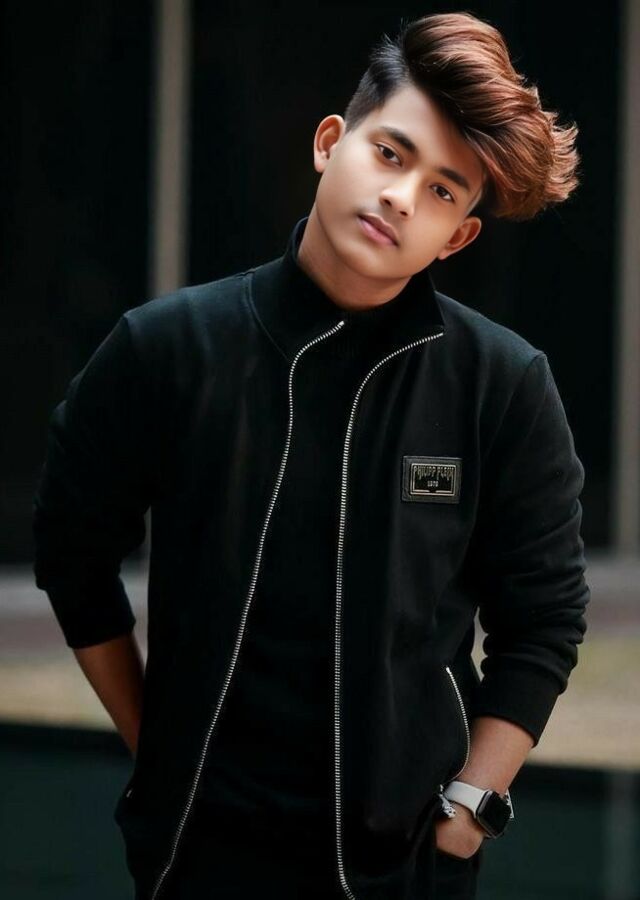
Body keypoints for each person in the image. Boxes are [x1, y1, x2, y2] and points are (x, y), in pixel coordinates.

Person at [32, 10, 590, 900]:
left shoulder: (502, 384)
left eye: (443, 192)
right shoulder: (166, 348)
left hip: (407, 868)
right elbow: (72, 549)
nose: (402, 197)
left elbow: (545, 621)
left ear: (458, 236)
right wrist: (157, 748)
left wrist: (466, 811)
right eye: (392, 154)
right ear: (333, 143)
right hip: (197, 860)